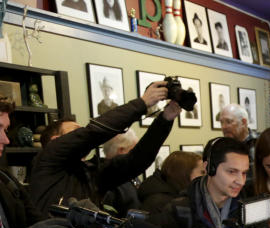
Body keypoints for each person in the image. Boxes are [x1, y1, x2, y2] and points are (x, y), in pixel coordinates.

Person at [31, 81, 177, 212]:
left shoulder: (89, 172)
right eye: (75, 132)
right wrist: (142, 103)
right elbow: (92, 133)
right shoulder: (47, 161)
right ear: (55, 141)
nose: (80, 134)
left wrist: (165, 119)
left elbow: (136, 160)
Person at [0, 98, 71, 228]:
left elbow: (35, 221)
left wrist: (66, 222)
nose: (5, 140)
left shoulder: (5, 180)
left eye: (5, 130)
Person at [138, 150, 203, 214]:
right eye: (202, 172)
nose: (206, 176)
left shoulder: (173, 196)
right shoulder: (161, 204)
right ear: (184, 173)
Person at [219, 104, 257, 175]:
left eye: (228, 122)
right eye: (221, 122)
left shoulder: (259, 143)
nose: (224, 127)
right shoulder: (220, 149)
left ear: (243, 122)